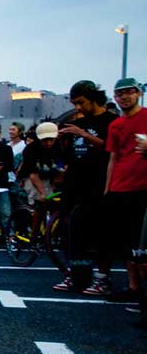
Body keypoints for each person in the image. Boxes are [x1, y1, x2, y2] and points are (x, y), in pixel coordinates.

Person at [54, 80, 116, 293]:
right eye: (74, 103)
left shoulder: (111, 122)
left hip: (99, 186)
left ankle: (102, 278)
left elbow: (113, 150)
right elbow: (68, 157)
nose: (78, 108)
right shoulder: (77, 122)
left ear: (93, 98)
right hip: (74, 185)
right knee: (71, 231)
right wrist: (62, 141)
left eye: (81, 102)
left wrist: (85, 135)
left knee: (100, 235)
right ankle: (76, 276)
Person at [95, 77, 147, 302]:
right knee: (128, 243)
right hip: (120, 187)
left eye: (129, 92)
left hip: (143, 188)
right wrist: (108, 189)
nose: (124, 97)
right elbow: (112, 158)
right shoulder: (115, 125)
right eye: (120, 94)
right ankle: (133, 287)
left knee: (142, 246)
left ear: (138, 93)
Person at [18, 122, 69, 242]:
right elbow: (33, 175)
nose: (48, 143)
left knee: (57, 201)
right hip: (31, 177)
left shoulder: (59, 147)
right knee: (40, 201)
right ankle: (34, 234)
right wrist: (42, 193)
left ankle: (53, 231)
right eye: (45, 140)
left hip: (51, 176)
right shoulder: (30, 149)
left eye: (51, 140)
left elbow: (64, 167)